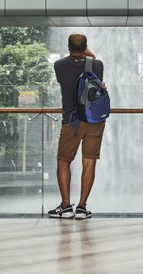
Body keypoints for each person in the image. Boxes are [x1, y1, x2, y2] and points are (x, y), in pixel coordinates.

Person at [48, 32, 105, 220]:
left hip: (71, 121)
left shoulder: (60, 65)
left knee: (64, 161)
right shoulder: (96, 65)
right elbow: (93, 62)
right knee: (89, 161)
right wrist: (89, 53)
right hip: (94, 121)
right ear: (86, 46)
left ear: (68, 47)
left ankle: (65, 207)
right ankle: (81, 207)